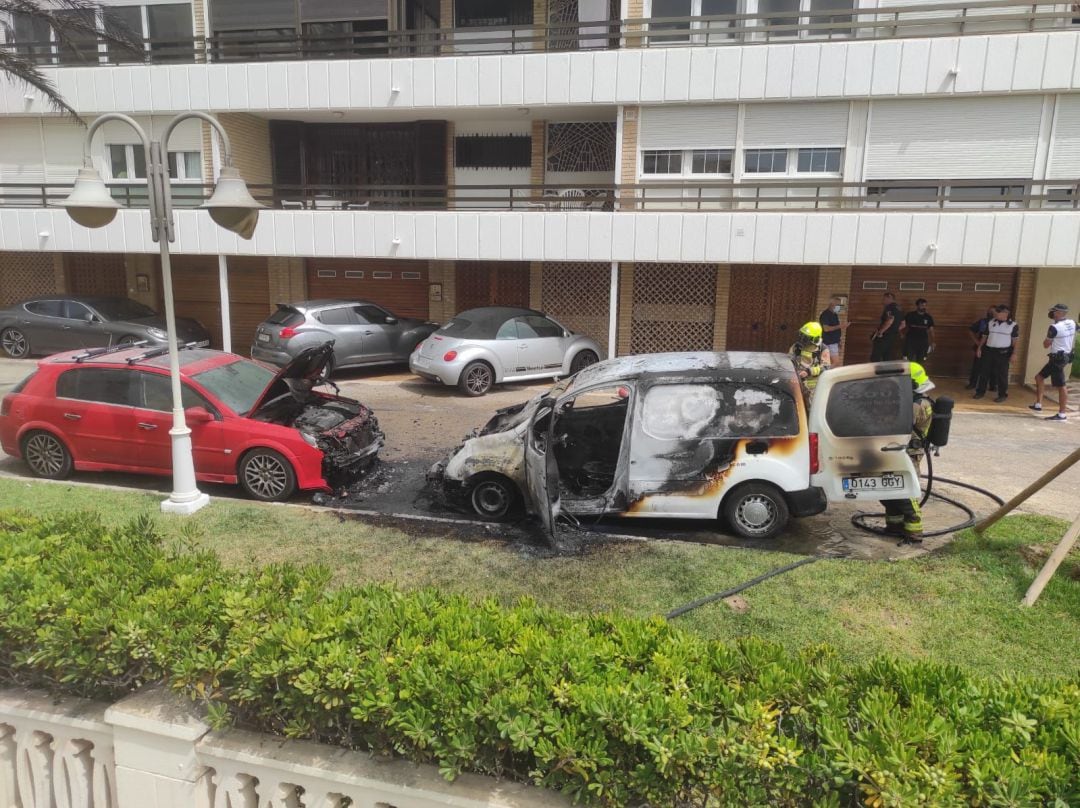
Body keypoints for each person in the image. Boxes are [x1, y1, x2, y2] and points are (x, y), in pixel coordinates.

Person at [882, 362, 935, 542]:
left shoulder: (917, 404)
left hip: (909, 452)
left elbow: (898, 425)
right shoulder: (915, 400)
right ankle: (894, 526)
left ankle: (914, 531)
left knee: (906, 490)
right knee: (892, 487)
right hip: (901, 450)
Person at [1030, 303, 1077, 422]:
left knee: (1061, 386)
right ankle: (1038, 404)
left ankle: (1062, 415)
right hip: (1063, 357)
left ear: (1059, 313)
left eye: (1054, 311)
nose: (1051, 313)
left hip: (1058, 360)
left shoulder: (1054, 327)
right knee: (1039, 377)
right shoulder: (1072, 323)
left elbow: (1046, 345)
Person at [974, 305, 1019, 403]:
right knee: (984, 372)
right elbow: (984, 336)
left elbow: (1015, 341)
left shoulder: (1013, 325)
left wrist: (1014, 354)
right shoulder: (991, 322)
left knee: (1002, 374)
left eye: (998, 312)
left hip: (1003, 353)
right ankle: (980, 392)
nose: (995, 313)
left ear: (1005, 313)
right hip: (989, 351)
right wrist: (979, 348)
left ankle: (1002, 395)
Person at [789, 321, 831, 400]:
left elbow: (826, 368)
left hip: (813, 389)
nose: (801, 340)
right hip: (797, 384)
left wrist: (808, 372)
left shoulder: (822, 349)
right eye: (801, 336)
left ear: (815, 339)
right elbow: (789, 362)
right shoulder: (796, 347)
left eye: (805, 338)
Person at [965, 306, 997, 391]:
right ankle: (972, 384)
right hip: (981, 348)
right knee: (977, 366)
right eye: (989, 312)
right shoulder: (982, 322)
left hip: (994, 349)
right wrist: (977, 342)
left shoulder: (999, 323)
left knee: (994, 367)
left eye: (992, 312)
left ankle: (993, 385)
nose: (990, 313)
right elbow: (971, 330)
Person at [899, 298, 936, 363]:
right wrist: (901, 333)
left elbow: (931, 330)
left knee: (920, 361)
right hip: (911, 341)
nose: (923, 307)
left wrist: (933, 341)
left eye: (925, 305)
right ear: (917, 305)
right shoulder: (910, 315)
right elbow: (902, 325)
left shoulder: (928, 317)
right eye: (922, 305)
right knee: (908, 360)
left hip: (923, 342)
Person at [870, 292, 902, 362]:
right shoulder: (899, 308)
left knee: (876, 356)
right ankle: (886, 369)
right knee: (887, 357)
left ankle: (875, 369)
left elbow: (890, 320)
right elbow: (903, 324)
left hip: (884, 335)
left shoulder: (890, 307)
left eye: (884, 299)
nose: (883, 301)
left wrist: (880, 332)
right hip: (893, 336)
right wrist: (894, 330)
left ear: (889, 298)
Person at [819, 295, 845, 366]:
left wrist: (839, 340)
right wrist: (840, 326)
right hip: (828, 342)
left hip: (834, 342)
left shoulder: (835, 315)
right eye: (838, 305)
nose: (839, 307)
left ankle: (826, 371)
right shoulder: (825, 315)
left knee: (832, 362)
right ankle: (826, 372)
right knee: (833, 362)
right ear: (832, 304)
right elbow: (826, 329)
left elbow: (836, 328)